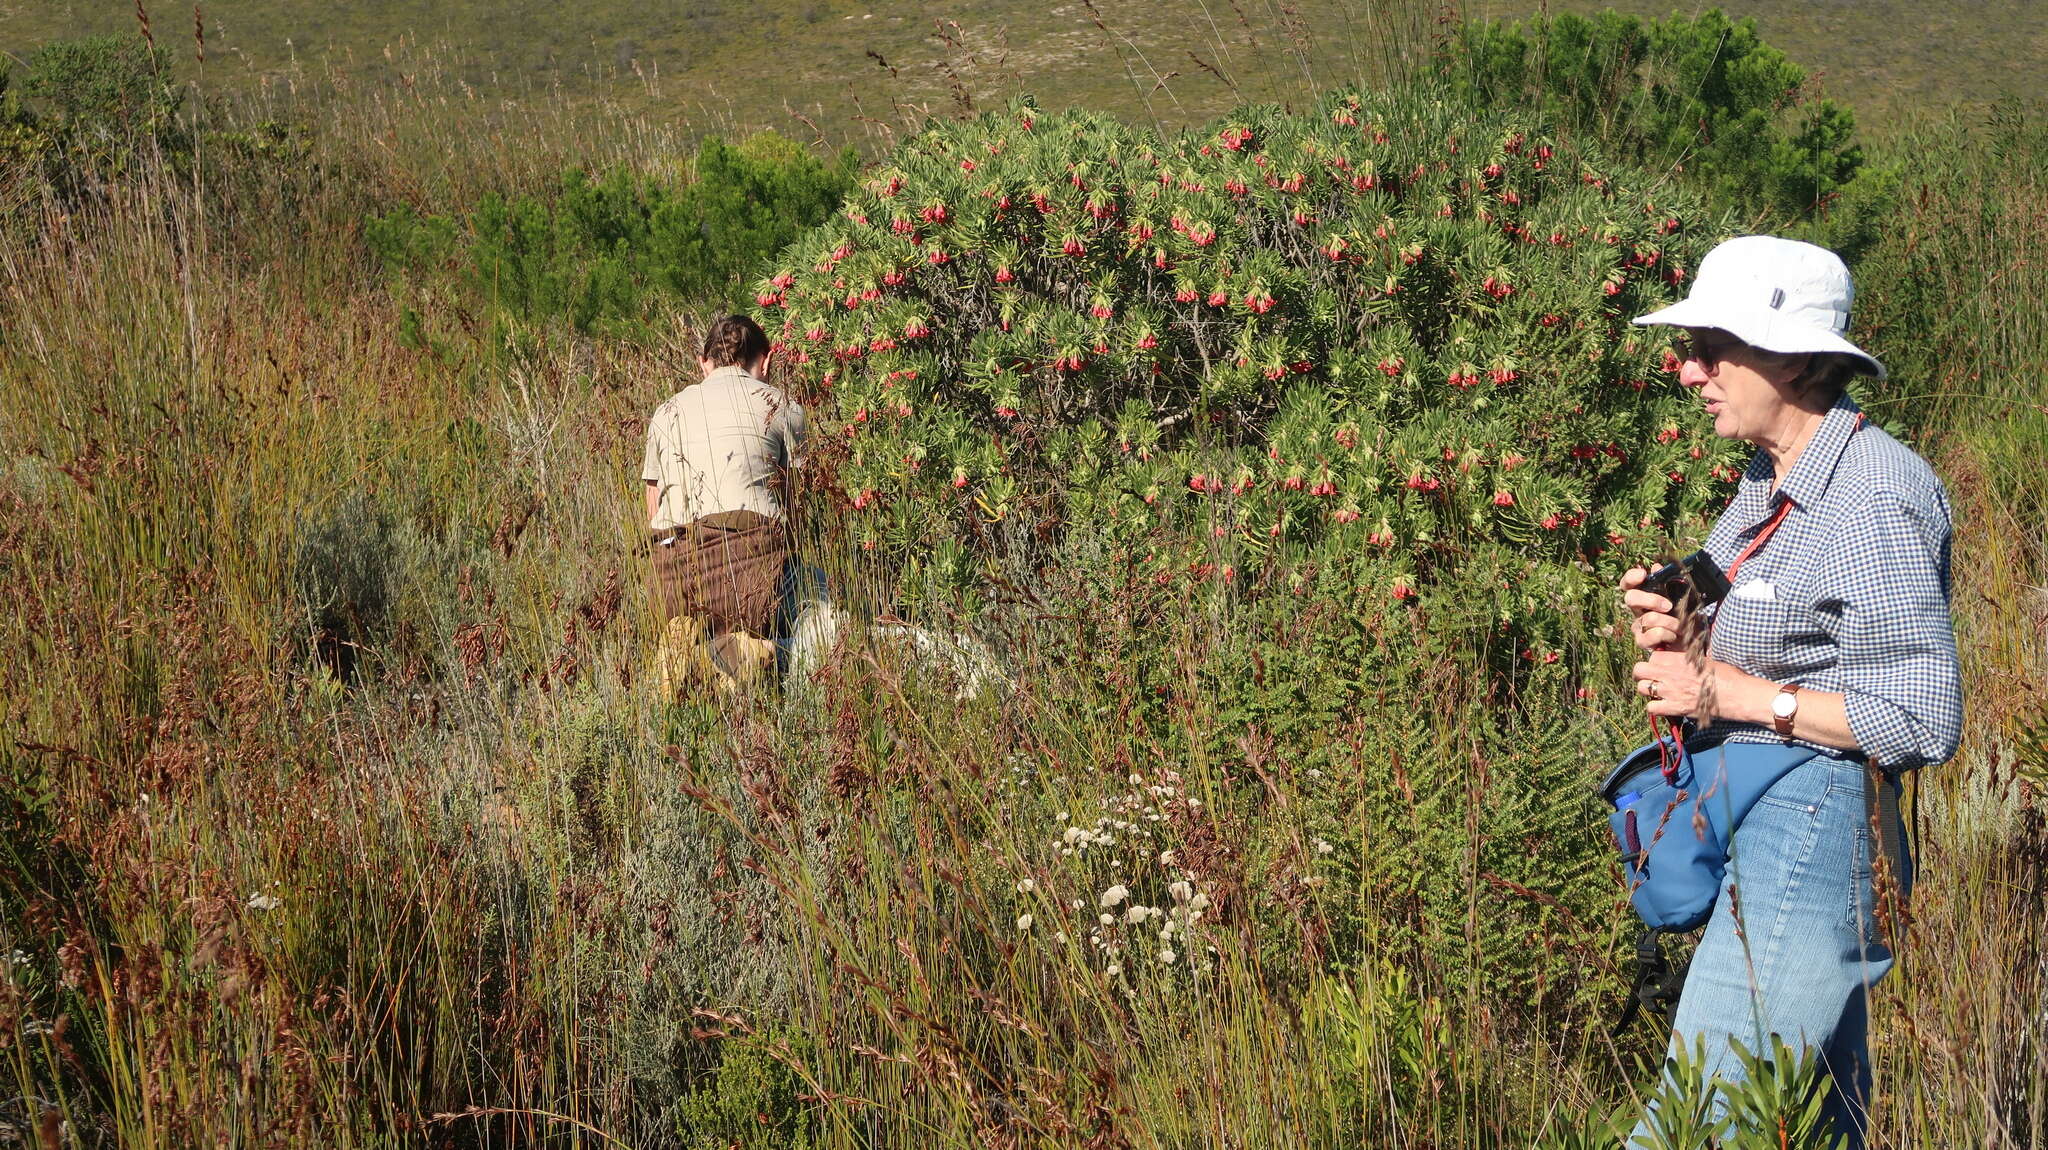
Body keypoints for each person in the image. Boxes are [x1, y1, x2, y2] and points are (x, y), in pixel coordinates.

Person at [1619, 236, 1961, 1145]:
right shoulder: (1769, 481)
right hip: (1773, 822)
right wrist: (1681, 620)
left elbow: (1924, 715)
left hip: (1818, 821)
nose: (1691, 371)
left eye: (1714, 347)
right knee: (1806, 1127)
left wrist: (1733, 697)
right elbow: (1764, 616)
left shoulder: (1874, 495)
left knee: (1698, 1118)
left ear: (1798, 358)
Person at [642, 314, 807, 687]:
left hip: (673, 579)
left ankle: (694, 640)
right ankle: (754, 654)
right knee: (814, 598)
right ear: (766, 360)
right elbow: (796, 506)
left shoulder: (666, 412)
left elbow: (653, 508)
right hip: (751, 577)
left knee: (699, 615)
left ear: (704, 363)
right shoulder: (783, 407)